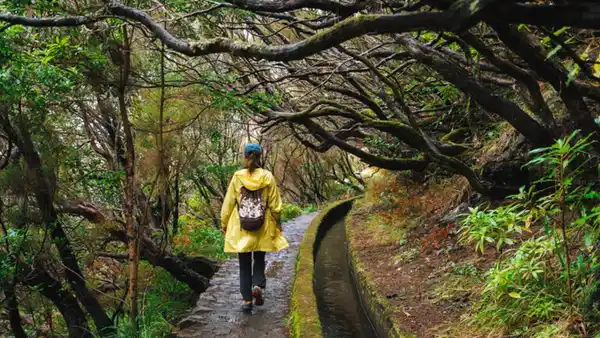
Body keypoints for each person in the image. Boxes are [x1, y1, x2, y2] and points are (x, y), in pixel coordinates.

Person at [220, 143, 289, 312]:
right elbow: (275, 206)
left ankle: (246, 301)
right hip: (262, 225)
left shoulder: (237, 177)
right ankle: (257, 285)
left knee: (244, 263)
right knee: (259, 257)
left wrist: (224, 223)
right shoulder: (267, 176)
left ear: (245, 157)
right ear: (260, 158)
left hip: (241, 227)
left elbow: (229, 203)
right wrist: (278, 222)